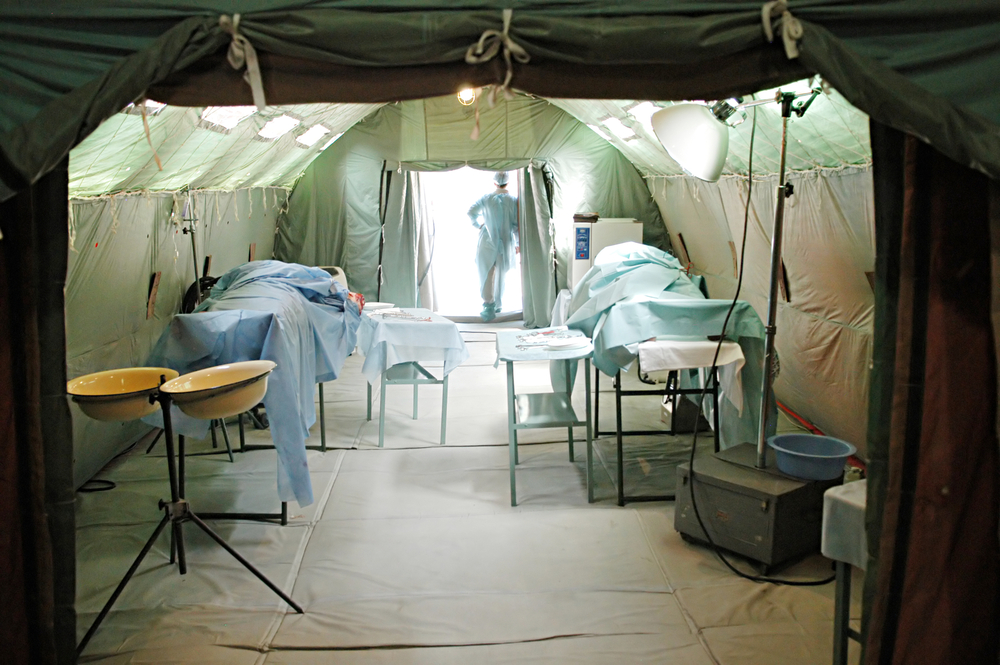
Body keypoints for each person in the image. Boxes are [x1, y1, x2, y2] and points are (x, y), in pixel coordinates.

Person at [467, 171, 519, 321]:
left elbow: (471, 212)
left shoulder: (486, 198)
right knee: (501, 274)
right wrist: (518, 244)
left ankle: (488, 305)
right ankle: (497, 305)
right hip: (505, 241)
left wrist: (478, 225)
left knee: (486, 273)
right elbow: (516, 225)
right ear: (507, 183)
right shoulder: (513, 201)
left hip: (487, 241)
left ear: (494, 183)